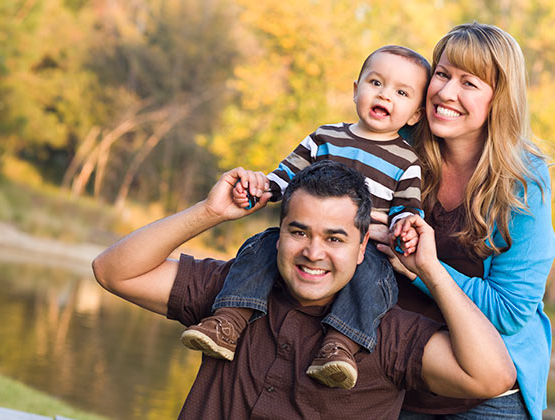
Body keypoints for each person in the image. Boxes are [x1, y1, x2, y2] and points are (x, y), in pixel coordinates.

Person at [92, 160, 516, 419]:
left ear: (362, 246)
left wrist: (430, 269)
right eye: (299, 232)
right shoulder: (234, 295)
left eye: (334, 238)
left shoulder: (387, 335)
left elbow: (492, 377)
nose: (314, 252)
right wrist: (209, 212)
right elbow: (113, 270)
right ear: (279, 234)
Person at [180, 45, 430, 390]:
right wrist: (258, 188)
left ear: (415, 115)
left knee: (374, 277)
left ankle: (340, 347)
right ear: (355, 88)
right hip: (305, 235)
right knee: (262, 246)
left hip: (363, 246)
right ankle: (229, 320)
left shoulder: (407, 161)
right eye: (376, 83)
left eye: (401, 92)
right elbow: (284, 178)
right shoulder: (325, 137)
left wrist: (405, 228)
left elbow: (407, 210)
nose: (385, 95)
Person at [378, 23, 555, 420]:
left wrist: (420, 269)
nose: (446, 93)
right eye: (442, 74)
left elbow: (509, 311)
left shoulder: (522, 183)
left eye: (468, 83)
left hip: (486, 395)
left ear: (499, 99)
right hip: (394, 374)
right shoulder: (396, 146)